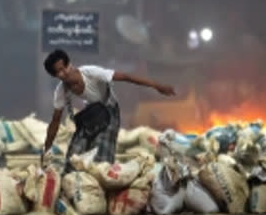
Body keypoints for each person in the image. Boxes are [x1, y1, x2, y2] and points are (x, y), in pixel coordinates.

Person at [42, 49, 175, 172]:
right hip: (91, 116)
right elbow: (55, 121)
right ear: (55, 75)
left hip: (109, 112)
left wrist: (157, 86)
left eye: (63, 68)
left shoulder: (91, 72)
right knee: (72, 161)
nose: (63, 73)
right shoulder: (61, 91)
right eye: (58, 72)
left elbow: (125, 77)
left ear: (69, 64)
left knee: (101, 162)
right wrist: (46, 149)